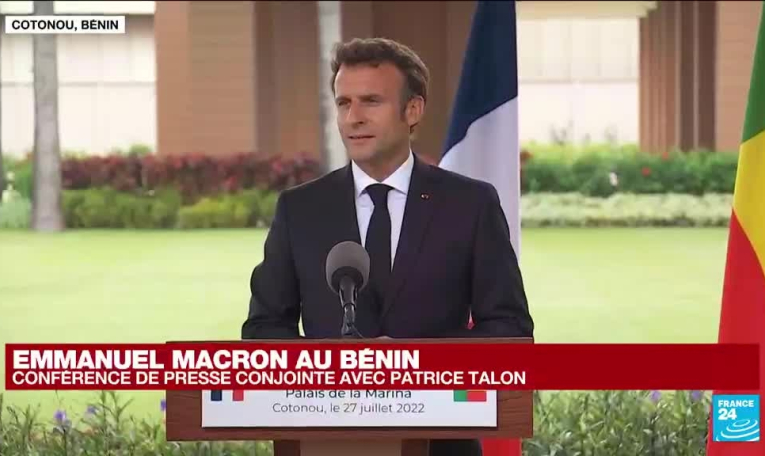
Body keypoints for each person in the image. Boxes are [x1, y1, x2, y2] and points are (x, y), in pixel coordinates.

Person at [242, 37, 534, 456]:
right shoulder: (300, 209)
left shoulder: (470, 204)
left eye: (371, 101)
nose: (354, 117)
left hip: (441, 443)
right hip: (328, 441)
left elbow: (509, 330)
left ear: (412, 110)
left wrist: (411, 364)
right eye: (344, 103)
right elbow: (263, 330)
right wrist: (335, 366)